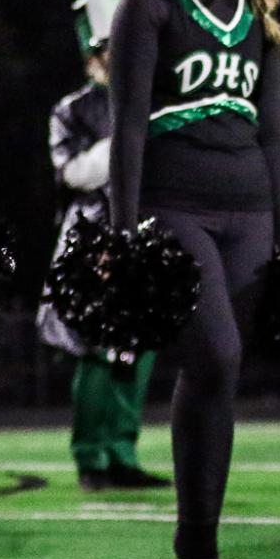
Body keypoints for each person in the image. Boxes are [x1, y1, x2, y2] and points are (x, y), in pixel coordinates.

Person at [107, 0, 280, 559]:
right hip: (173, 204)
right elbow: (125, 125)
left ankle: (201, 558)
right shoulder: (151, 0)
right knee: (211, 353)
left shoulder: (257, 13)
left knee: (224, 371)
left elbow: (273, 132)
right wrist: (122, 234)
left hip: (249, 208)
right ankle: (194, 549)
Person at [38, 46, 171, 491]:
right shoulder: (71, 110)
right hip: (92, 236)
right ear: (94, 57)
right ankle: (91, 457)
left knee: (139, 348)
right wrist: (128, 131)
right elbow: (74, 173)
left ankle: (123, 454)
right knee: (95, 350)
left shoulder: (153, 102)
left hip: (143, 232)